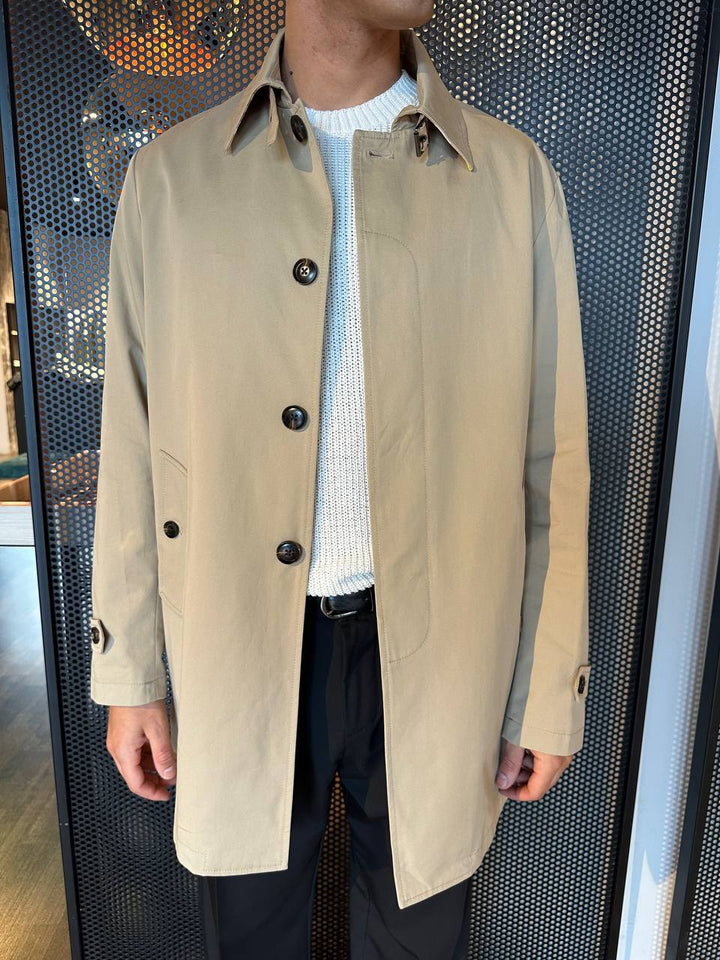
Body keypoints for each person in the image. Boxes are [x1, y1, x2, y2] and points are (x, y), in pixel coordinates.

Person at [89, 1, 592, 957]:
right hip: (232, 646)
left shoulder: (513, 179)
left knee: (419, 938)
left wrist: (548, 686)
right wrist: (130, 670)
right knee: (252, 939)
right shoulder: (172, 182)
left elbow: (553, 463)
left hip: (448, 655)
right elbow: (134, 442)